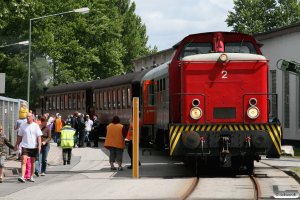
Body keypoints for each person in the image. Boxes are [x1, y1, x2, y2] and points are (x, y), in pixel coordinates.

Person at [14, 112, 42, 183]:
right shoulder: (23, 125)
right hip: (25, 146)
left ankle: (31, 176)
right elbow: (19, 136)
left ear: (32, 117)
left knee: (32, 161)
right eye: (27, 117)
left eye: (29, 117)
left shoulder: (35, 125)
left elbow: (39, 136)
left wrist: (39, 145)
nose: (28, 118)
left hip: (33, 146)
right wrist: (16, 144)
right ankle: (22, 176)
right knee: (24, 160)